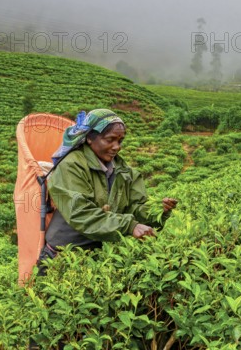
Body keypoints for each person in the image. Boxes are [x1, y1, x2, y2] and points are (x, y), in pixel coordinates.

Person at [37, 109, 178, 273]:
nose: (116, 147)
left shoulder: (125, 172)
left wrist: (158, 210)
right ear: (90, 138)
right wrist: (129, 226)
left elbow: (135, 209)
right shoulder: (71, 165)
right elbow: (81, 213)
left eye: (120, 141)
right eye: (110, 140)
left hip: (99, 258)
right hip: (62, 257)